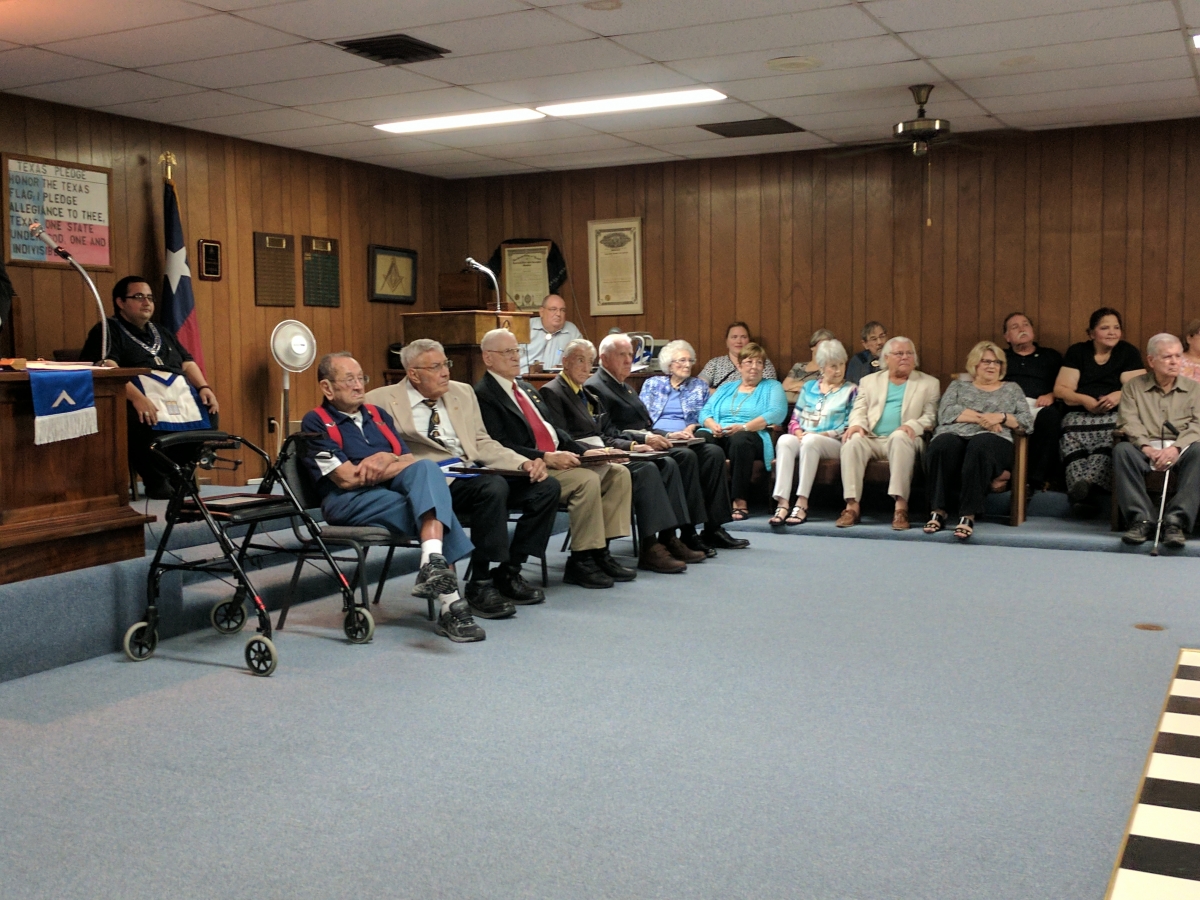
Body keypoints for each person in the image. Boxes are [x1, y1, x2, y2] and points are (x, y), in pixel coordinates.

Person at [365, 339, 561, 619]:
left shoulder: (463, 392)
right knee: (492, 488)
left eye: (446, 364)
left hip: (472, 471)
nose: (445, 372)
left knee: (546, 486)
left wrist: (523, 462)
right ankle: (480, 583)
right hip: (433, 481)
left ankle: (509, 571)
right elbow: (378, 449)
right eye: (436, 367)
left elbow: (482, 442)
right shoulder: (380, 400)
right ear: (414, 374)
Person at [299, 353, 482, 643]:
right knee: (432, 508)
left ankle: (433, 565)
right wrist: (389, 464)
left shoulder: (377, 415)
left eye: (361, 378)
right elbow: (346, 478)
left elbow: (410, 461)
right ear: (327, 388)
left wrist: (385, 458)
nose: (359, 385)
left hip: (387, 492)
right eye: (349, 379)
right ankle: (450, 605)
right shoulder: (316, 422)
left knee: (427, 468)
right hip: (348, 501)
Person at [475, 328, 635, 590]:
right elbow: (499, 444)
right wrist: (546, 457)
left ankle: (600, 552)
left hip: (557, 457)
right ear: (488, 358)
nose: (515, 357)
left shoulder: (526, 388)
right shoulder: (483, 394)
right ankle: (581, 560)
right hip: (526, 468)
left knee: (618, 473)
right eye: (507, 352)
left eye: (517, 350)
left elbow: (555, 431)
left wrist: (584, 451)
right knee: (586, 480)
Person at [539, 339, 703, 574]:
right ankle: (648, 546)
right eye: (580, 360)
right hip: (581, 459)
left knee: (666, 463)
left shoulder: (586, 393)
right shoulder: (553, 391)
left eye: (589, 361)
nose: (586, 367)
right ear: (565, 362)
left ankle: (667, 538)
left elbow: (607, 432)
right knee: (646, 469)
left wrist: (632, 446)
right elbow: (561, 437)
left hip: (605, 453)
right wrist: (607, 451)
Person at [587, 333, 749, 551]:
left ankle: (714, 528)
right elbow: (610, 431)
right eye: (621, 355)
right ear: (604, 359)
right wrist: (649, 438)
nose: (628, 360)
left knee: (713, 453)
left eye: (630, 355)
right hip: (631, 447)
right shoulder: (597, 387)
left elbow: (646, 424)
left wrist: (669, 435)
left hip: (657, 438)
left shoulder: (624, 386)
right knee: (685, 457)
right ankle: (686, 532)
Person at [81, 275, 220, 499]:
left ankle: (180, 471)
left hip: (175, 393)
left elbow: (187, 362)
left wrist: (205, 387)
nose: (147, 302)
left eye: (150, 297)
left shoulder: (161, 331)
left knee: (208, 410)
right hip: (136, 394)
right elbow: (107, 366)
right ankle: (156, 478)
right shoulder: (107, 330)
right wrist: (137, 398)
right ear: (120, 302)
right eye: (138, 297)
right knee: (138, 417)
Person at [923, 342, 1033, 540]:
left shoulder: (1012, 389)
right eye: (986, 361)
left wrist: (1001, 417)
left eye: (997, 362)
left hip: (995, 440)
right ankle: (937, 511)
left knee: (979, 444)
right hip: (955, 434)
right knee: (941, 445)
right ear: (974, 364)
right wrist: (985, 419)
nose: (992, 366)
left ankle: (968, 514)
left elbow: (1026, 421)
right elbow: (946, 413)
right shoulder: (958, 386)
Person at [837, 337, 940, 530]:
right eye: (899, 353)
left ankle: (900, 507)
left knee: (899, 437)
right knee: (852, 440)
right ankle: (852, 506)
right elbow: (859, 409)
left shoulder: (929, 383)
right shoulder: (869, 381)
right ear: (886, 358)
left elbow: (931, 416)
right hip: (873, 438)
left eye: (909, 353)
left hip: (907, 439)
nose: (905, 357)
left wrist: (912, 425)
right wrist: (857, 425)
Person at [1054, 307, 1145, 510]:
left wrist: (1118, 395)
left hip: (1114, 414)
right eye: (1105, 328)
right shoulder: (1078, 352)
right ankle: (1084, 488)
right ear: (1091, 333)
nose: (1112, 332)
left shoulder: (1127, 352)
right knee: (1070, 436)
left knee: (1110, 438)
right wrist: (1084, 400)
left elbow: (1139, 388)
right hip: (1079, 413)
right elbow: (1061, 389)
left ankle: (1084, 487)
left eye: (1116, 327)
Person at [1114, 334, 1200, 547]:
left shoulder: (1194, 389)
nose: (1174, 362)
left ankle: (1175, 522)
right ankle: (1142, 520)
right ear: (1151, 361)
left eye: (1178, 356)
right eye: (1167, 357)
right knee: (1122, 450)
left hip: (1182, 448)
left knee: (1199, 452)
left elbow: (1198, 424)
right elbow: (1128, 421)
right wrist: (1146, 448)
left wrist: (1176, 448)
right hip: (1145, 448)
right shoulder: (1133, 387)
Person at [770, 339, 856, 526]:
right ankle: (783, 503)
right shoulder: (809, 387)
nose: (839, 370)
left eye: (841, 364)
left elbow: (849, 425)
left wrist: (822, 435)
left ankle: (802, 501)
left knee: (811, 441)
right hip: (806, 437)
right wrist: (797, 432)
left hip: (834, 442)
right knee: (785, 440)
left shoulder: (850, 390)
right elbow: (795, 418)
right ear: (822, 367)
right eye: (833, 366)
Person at [698, 343, 788, 520]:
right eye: (749, 362)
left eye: (759, 362)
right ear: (739, 366)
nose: (754, 367)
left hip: (753, 435)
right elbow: (704, 412)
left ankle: (739, 500)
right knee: (700, 437)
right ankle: (704, 500)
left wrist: (744, 427)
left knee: (740, 440)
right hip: (721, 433)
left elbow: (777, 413)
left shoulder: (772, 386)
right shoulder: (726, 388)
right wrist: (712, 425)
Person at [1001, 312, 1065, 490]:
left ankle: (1034, 481)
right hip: (1007, 407)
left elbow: (1066, 384)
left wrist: (1052, 395)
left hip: (1039, 405)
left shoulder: (1051, 356)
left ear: (1033, 331)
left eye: (1026, 325)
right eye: (1015, 327)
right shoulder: (1000, 358)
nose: (1022, 329)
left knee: (1051, 417)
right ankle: (1005, 478)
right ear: (1007, 337)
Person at [639, 340, 709, 436]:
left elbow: (706, 416)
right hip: (656, 436)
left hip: (687, 436)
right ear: (669, 365)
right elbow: (641, 415)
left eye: (690, 360)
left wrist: (692, 427)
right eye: (682, 360)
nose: (688, 365)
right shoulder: (653, 384)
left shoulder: (699, 386)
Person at [698, 321, 777, 391]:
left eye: (743, 337)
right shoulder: (715, 363)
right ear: (727, 342)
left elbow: (771, 389)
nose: (739, 341)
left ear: (749, 341)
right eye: (734, 337)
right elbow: (699, 387)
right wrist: (721, 395)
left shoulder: (762, 362)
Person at [520, 293, 582, 373]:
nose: (558, 314)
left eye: (562, 310)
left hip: (556, 379)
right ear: (541, 312)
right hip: (523, 378)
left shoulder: (571, 331)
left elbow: (581, 359)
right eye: (553, 309)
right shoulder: (525, 327)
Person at [781, 329, 835, 395]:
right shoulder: (799, 366)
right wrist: (805, 386)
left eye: (828, 345)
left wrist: (797, 385)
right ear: (812, 347)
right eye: (822, 344)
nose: (825, 348)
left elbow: (823, 389)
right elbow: (785, 386)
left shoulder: (830, 369)